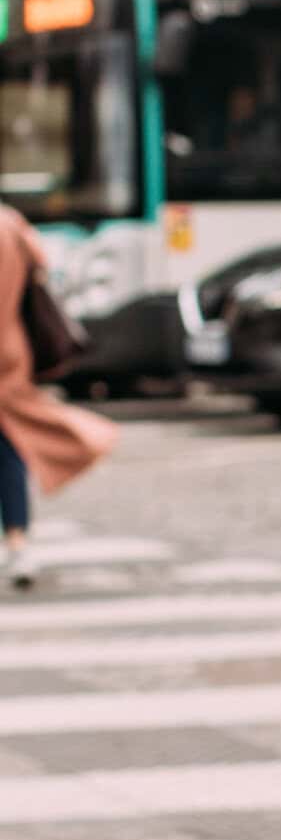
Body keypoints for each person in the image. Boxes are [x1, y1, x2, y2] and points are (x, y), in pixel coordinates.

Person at [0, 204, 116, 590]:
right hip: (9, 350)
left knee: (9, 443)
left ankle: (87, 436)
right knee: (9, 445)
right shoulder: (10, 223)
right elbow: (42, 269)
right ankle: (19, 544)